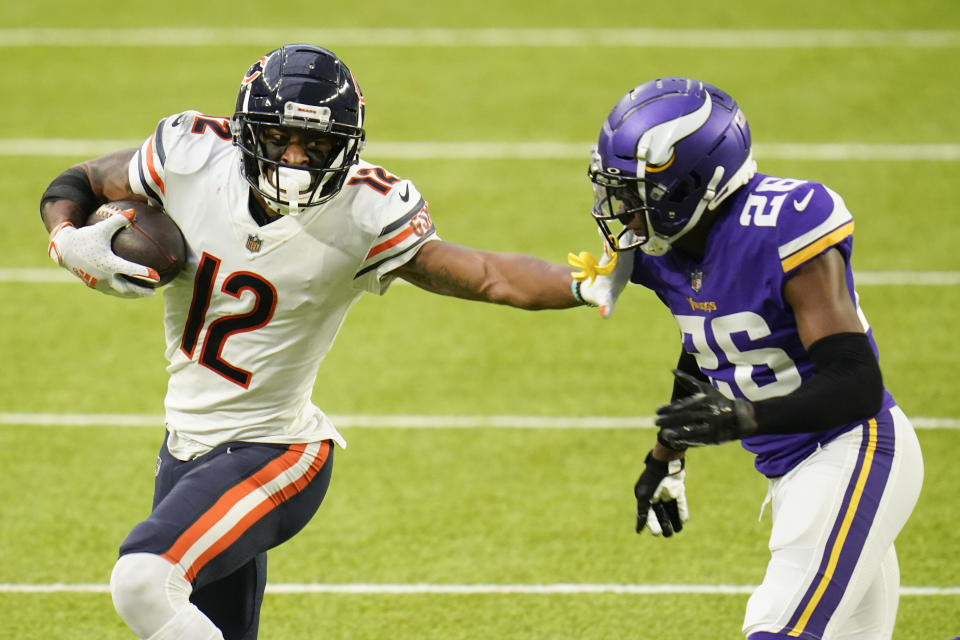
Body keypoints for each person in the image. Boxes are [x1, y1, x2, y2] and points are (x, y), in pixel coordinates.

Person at [39, 44, 630, 640]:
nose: (295, 160)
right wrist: (66, 236)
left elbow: (484, 273)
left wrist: (584, 284)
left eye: (316, 145)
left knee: (143, 580)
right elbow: (80, 181)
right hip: (186, 449)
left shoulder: (364, 211)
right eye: (279, 138)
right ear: (247, 132)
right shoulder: (192, 155)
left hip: (273, 451)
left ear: (346, 147)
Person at [575, 77, 924, 639]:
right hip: (792, 469)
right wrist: (666, 454)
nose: (627, 214)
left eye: (640, 196)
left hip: (851, 449)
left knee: (775, 628)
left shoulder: (783, 224)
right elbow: (709, 347)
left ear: (691, 186)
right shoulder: (668, 253)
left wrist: (745, 419)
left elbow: (856, 382)